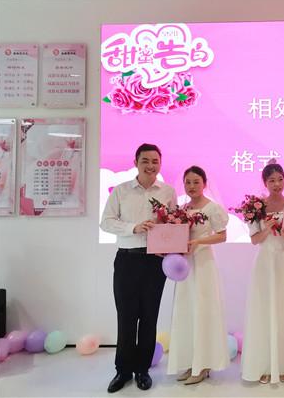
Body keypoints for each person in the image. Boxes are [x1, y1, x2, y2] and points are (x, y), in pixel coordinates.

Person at [100, 143, 177, 393]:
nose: (150, 166)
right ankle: (123, 371)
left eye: (155, 161)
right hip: (127, 260)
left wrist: (171, 245)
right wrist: (133, 227)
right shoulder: (121, 191)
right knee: (126, 316)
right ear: (136, 163)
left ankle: (142, 370)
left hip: (155, 262)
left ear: (160, 164)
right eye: (145, 161)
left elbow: (174, 225)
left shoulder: (168, 192)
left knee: (149, 316)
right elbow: (106, 222)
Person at [241, 161, 284, 384]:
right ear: (265, 182)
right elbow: (254, 240)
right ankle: (265, 365)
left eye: (280, 179)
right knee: (265, 310)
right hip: (265, 262)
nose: (277, 184)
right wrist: (268, 228)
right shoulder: (255, 207)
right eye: (272, 180)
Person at [167, 166, 230, 384]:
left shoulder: (212, 208)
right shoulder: (182, 209)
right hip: (185, 266)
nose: (192, 186)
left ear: (205, 184)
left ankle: (203, 365)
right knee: (187, 312)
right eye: (188, 182)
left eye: (196, 182)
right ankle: (191, 362)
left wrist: (199, 242)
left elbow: (222, 236)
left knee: (203, 311)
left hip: (203, 264)